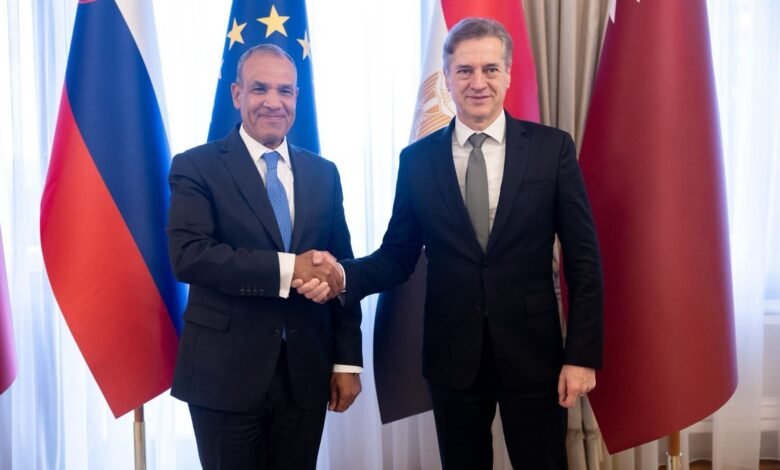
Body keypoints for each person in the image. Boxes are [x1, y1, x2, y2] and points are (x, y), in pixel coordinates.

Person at [295, 17, 603, 470]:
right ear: (447, 78)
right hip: (453, 355)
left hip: (534, 354)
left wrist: (581, 357)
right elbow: (398, 256)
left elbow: (583, 260)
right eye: (465, 71)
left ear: (508, 74)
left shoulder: (551, 149)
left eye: (490, 69)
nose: (478, 82)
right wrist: (342, 274)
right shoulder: (417, 161)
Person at [166, 44, 362, 470]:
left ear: (296, 97)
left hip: (305, 375)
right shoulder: (196, 167)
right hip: (224, 375)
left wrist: (347, 360)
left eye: (285, 90)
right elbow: (190, 256)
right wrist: (291, 268)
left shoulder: (324, 173)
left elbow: (341, 270)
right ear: (237, 94)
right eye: (260, 89)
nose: (274, 102)